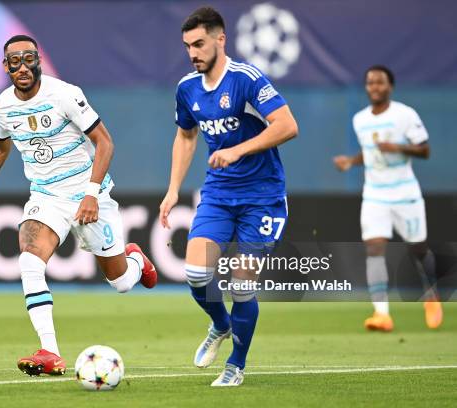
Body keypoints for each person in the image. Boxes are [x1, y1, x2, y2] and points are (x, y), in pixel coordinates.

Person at [0, 34, 157, 376]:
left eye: (29, 58)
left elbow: (105, 144)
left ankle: (135, 260)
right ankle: (50, 352)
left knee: (122, 283)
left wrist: (91, 193)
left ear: (38, 61)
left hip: (88, 195)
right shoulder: (3, 107)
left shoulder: (65, 94)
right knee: (28, 257)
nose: (22, 66)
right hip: (45, 196)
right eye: (15, 61)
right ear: (5, 67)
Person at [160, 7, 298, 386]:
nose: (193, 53)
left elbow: (287, 125)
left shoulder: (247, 80)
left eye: (199, 44)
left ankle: (236, 365)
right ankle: (220, 324)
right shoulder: (187, 88)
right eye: (188, 46)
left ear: (221, 39)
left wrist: (239, 150)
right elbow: (186, 136)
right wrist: (172, 189)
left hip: (263, 196)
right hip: (219, 193)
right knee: (195, 273)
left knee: (240, 284)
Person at [333, 65, 442, 331]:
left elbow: (425, 150)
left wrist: (398, 147)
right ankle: (381, 314)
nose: (375, 87)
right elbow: (371, 153)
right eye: (370, 83)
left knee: (419, 250)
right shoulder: (360, 119)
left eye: (380, 82)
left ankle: (432, 296)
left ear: (390, 86)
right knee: (374, 247)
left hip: (405, 194)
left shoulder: (405, 115)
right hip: (374, 195)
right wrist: (351, 161)